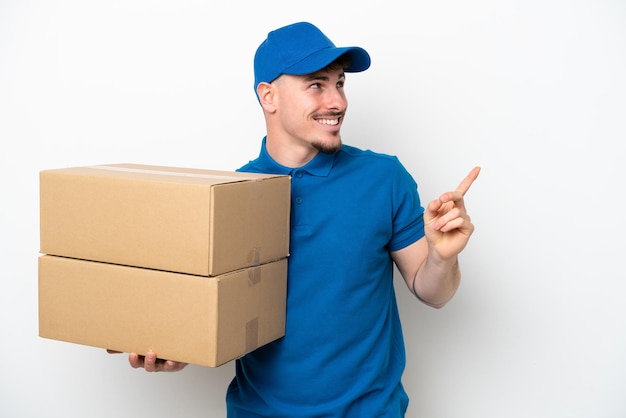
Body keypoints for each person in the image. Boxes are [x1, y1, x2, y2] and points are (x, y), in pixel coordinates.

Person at [118, 21, 480, 417]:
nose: (337, 101)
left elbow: (434, 292)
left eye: (340, 83)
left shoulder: (383, 178)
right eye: (316, 85)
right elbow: (213, 315)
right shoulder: (230, 196)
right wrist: (175, 349)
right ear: (269, 96)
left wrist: (443, 258)